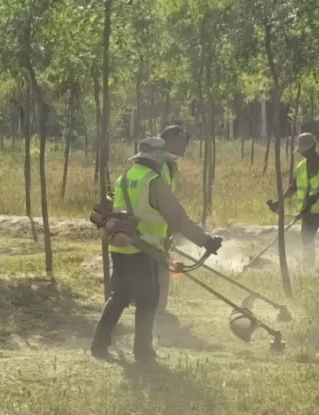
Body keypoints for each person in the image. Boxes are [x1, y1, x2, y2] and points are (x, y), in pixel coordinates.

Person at [91, 137, 223, 362]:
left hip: (121, 246)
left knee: (119, 296)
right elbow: (177, 217)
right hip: (144, 249)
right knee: (148, 300)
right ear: (158, 160)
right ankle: (143, 351)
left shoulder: (125, 177)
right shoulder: (153, 181)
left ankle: (99, 344)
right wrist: (205, 241)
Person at [269, 132, 319, 272]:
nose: (304, 154)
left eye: (307, 150)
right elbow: (293, 188)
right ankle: (308, 269)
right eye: (302, 151)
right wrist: (278, 202)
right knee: (307, 240)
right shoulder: (301, 167)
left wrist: (314, 198)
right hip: (308, 213)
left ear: (314, 147)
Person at [156, 125, 190, 324]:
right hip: (153, 225)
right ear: (169, 139)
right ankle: (156, 310)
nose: (186, 145)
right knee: (158, 266)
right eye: (183, 140)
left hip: (162, 224)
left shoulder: (169, 165)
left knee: (161, 265)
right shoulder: (159, 164)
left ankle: (157, 307)